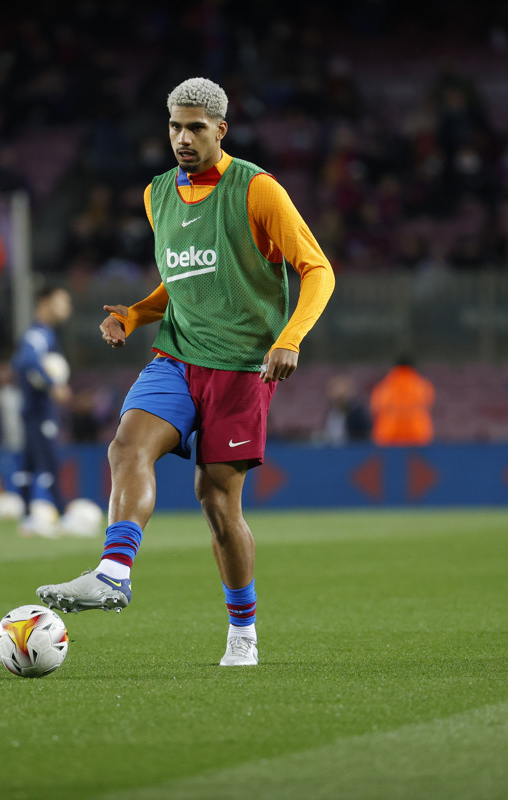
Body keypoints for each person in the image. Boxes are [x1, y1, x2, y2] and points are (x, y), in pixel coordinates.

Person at [35, 77, 336, 667]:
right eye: (175, 126)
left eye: (196, 127)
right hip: (175, 355)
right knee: (126, 448)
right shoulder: (157, 196)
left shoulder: (258, 190)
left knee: (218, 505)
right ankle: (113, 574)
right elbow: (184, 280)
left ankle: (242, 633)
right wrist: (137, 313)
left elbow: (318, 269)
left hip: (241, 368)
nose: (183, 138)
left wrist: (289, 338)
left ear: (221, 129)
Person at [11, 286, 74, 537]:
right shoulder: (39, 334)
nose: (67, 308)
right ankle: (63, 514)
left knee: (28, 463)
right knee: (49, 461)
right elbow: (25, 362)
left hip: (32, 408)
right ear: (46, 303)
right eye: (62, 302)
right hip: (39, 409)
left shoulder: (43, 334)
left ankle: (27, 517)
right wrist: (52, 385)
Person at [369, 356, 435, 446]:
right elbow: (428, 404)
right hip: (417, 432)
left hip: (388, 433)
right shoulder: (422, 385)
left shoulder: (384, 386)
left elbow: (375, 408)